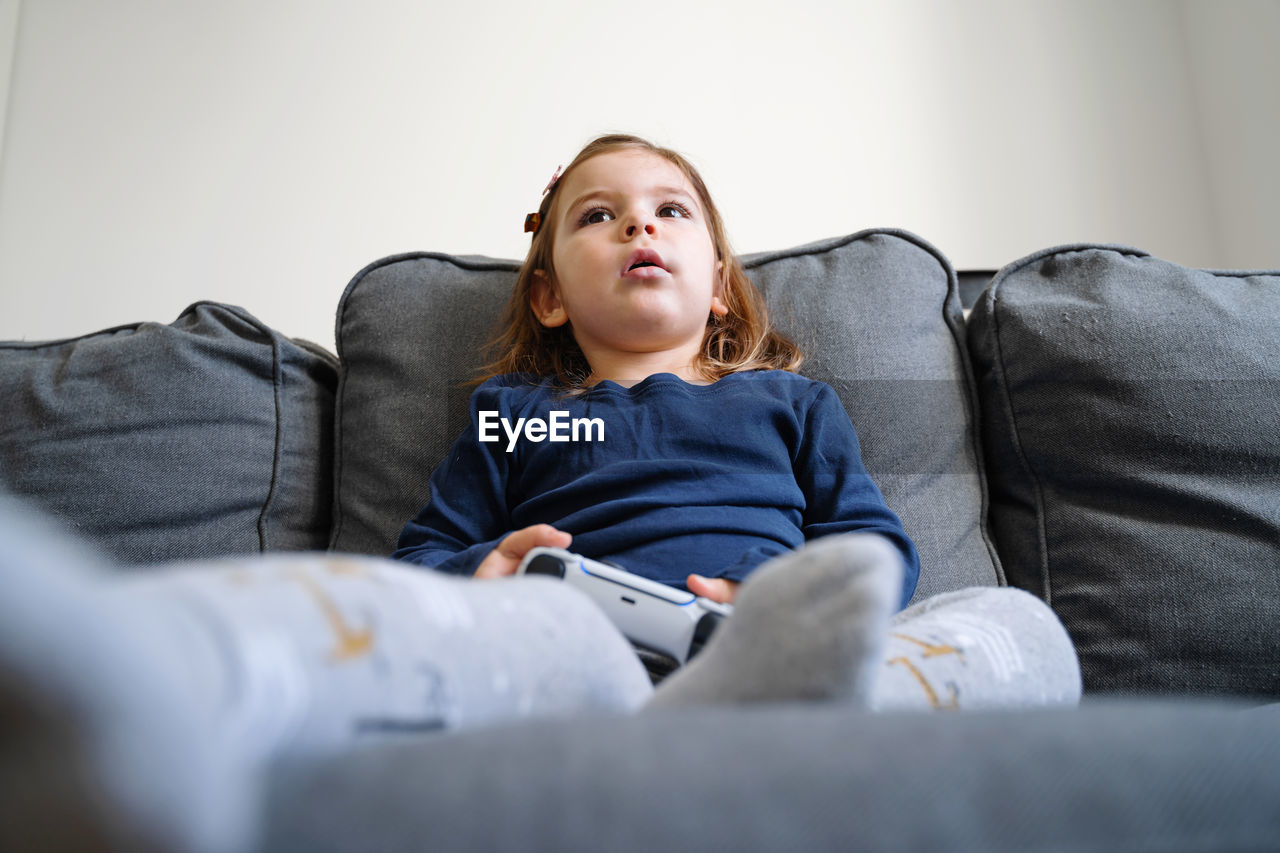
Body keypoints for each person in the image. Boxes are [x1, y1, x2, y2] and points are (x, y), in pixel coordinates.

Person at [0, 135, 1080, 853]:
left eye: (667, 213)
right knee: (387, 617)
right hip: (585, 648)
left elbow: (869, 542)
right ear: (551, 296)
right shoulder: (516, 411)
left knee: (1011, 621)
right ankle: (169, 666)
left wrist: (800, 595)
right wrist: (489, 573)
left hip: (786, 636)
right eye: (598, 216)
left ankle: (817, 688)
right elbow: (418, 562)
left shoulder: (784, 404)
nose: (637, 229)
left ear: (716, 287)